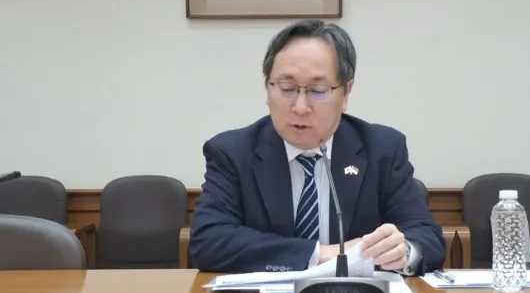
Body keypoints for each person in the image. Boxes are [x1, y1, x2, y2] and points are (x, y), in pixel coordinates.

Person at [190, 19, 445, 275]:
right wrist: (322, 254)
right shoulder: (232, 153)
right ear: (267, 90)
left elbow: (426, 238)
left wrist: (404, 251)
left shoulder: (383, 150)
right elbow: (208, 241)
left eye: (318, 90)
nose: (300, 107)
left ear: (346, 93)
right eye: (287, 88)